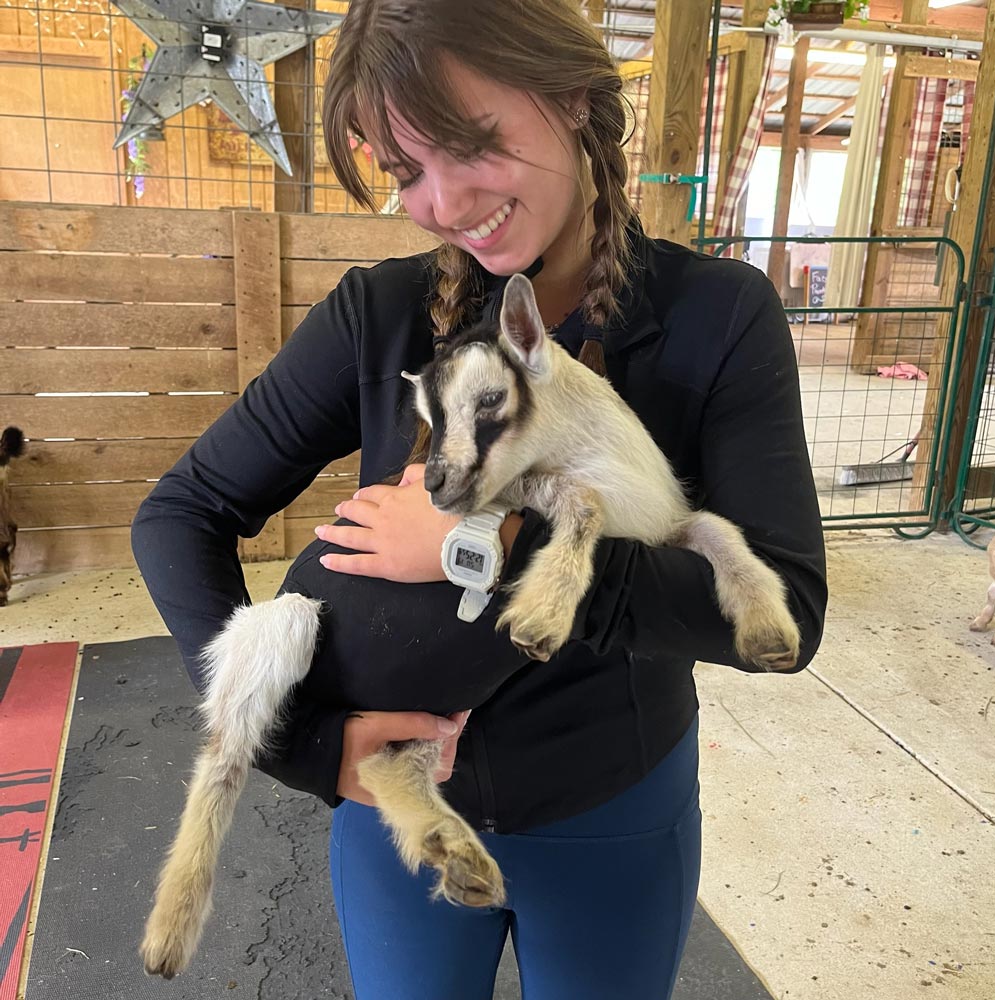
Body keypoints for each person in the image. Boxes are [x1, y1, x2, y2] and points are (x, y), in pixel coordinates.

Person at [131, 1, 827, 997]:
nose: (445, 200)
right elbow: (180, 510)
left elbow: (788, 614)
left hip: (612, 816)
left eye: (470, 144)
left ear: (573, 96)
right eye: (407, 170)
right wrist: (306, 745)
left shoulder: (715, 318)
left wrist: (499, 542)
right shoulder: (377, 315)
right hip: (399, 826)